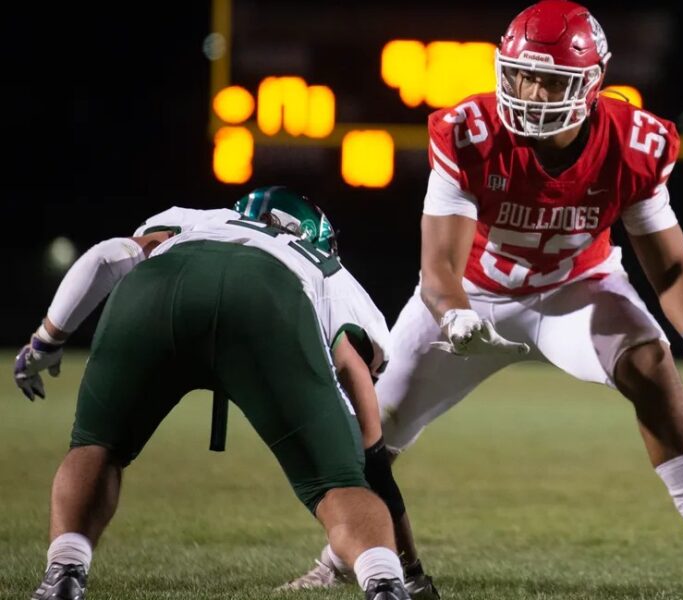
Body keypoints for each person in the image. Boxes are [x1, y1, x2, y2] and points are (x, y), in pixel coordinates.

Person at [285, 2, 683, 599]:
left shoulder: (632, 141)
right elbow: (438, 266)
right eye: (521, 74)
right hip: (473, 297)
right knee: (370, 427)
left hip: (576, 290)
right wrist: (457, 315)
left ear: (592, 84)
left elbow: (669, 266)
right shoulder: (469, 132)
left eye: (551, 79)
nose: (531, 92)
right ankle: (343, 557)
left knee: (652, 362)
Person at [14, 187, 412, 600]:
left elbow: (105, 256)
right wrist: (368, 458)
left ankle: (65, 570)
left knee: (96, 447)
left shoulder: (192, 219)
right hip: (269, 300)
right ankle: (383, 583)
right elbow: (353, 366)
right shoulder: (328, 268)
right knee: (338, 486)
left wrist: (45, 341)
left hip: (160, 288)